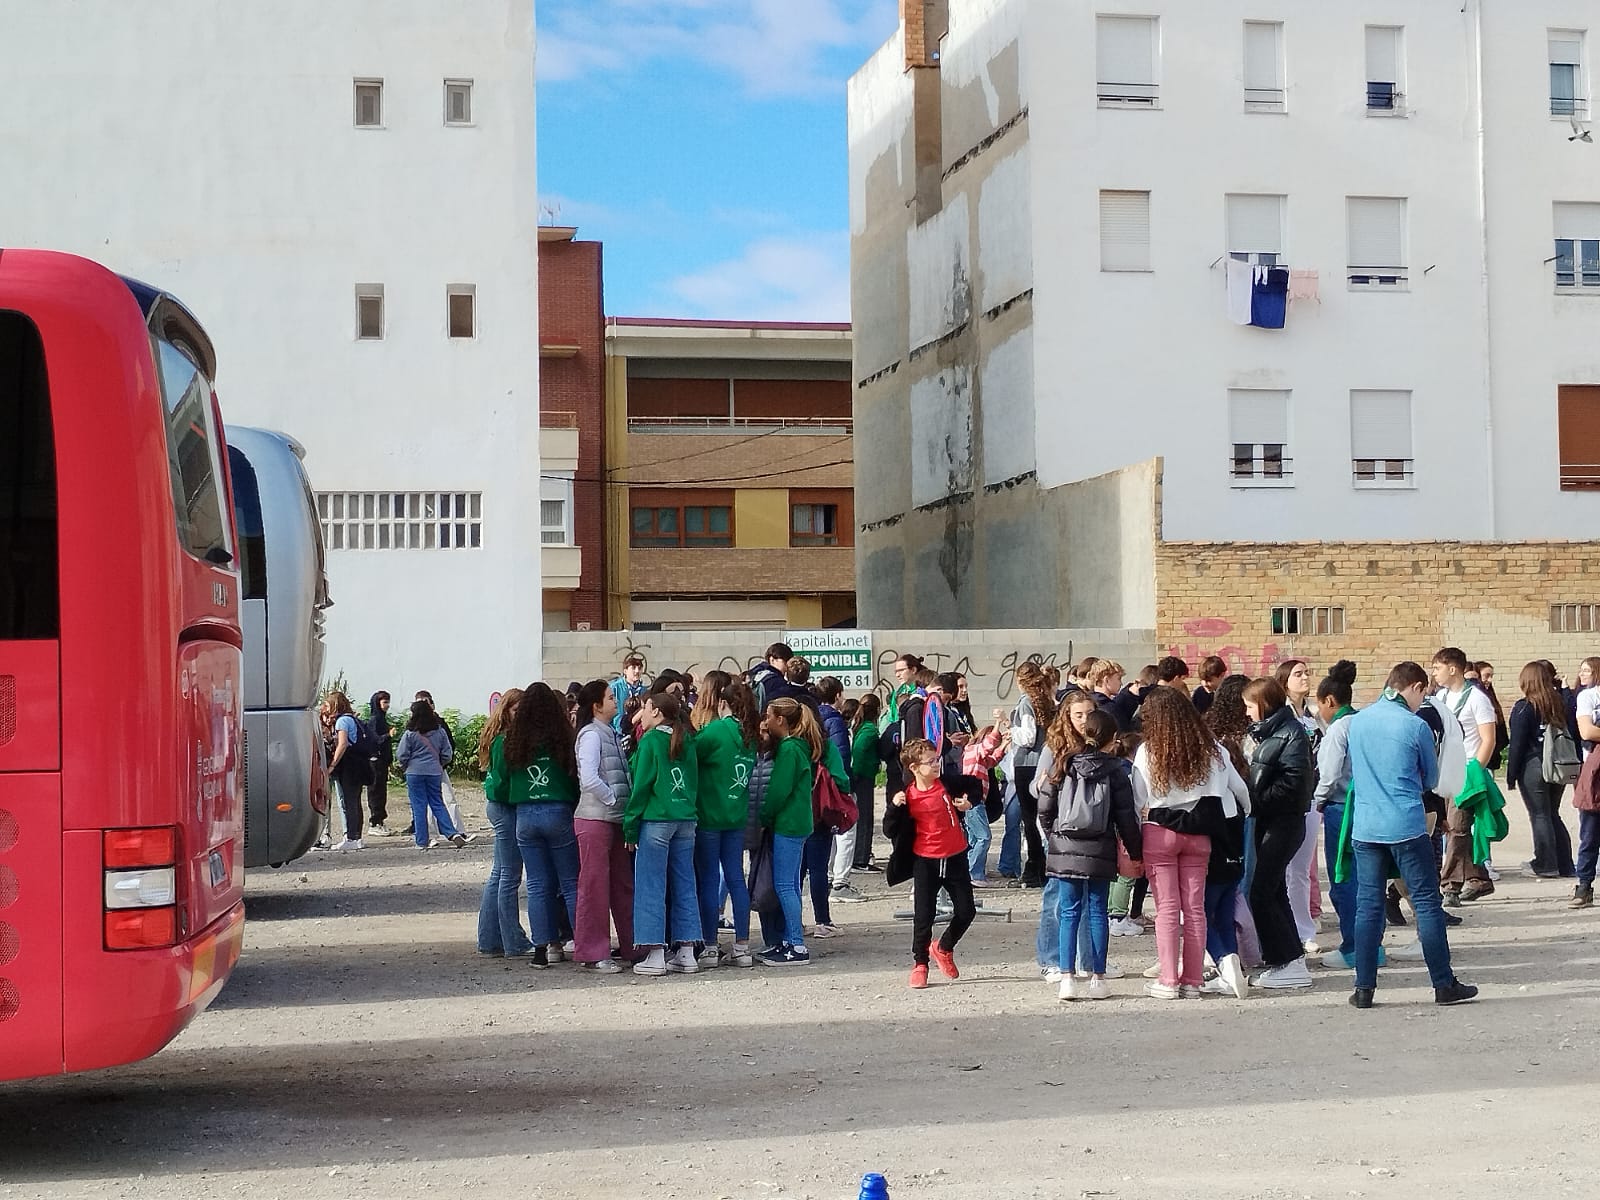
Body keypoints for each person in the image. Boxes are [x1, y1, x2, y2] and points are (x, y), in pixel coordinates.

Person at [1344, 663, 1479, 1008]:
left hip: (1366, 825)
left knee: (1368, 906)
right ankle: (1443, 984)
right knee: (1426, 903)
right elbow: (1431, 779)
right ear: (1416, 688)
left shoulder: (1357, 722)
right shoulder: (1415, 725)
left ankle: (1363, 988)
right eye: (1424, 694)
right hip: (1406, 823)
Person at [1133, 687, 1250, 999]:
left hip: (1160, 830)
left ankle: (1168, 980)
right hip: (1201, 833)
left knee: (1168, 909)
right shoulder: (1211, 749)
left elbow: (1138, 799)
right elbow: (1238, 791)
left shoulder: (1149, 750)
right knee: (1196, 909)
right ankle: (1193, 981)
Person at [1034, 709, 1142, 1001]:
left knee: (1068, 912)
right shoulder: (1117, 770)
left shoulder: (1064, 763)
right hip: (1100, 847)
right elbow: (1127, 819)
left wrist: (1053, 834)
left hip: (1065, 846)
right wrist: (1136, 852)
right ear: (1113, 737)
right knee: (1097, 912)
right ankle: (1097, 978)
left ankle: (1067, 979)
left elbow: (1045, 806)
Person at [485, 682, 580, 968]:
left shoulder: (510, 739)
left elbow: (500, 783)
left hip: (525, 815)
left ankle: (544, 948)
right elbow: (575, 777)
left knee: (537, 884)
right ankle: (583, 943)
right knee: (570, 882)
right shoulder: (564, 736)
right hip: (559, 810)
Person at [886, 738, 978, 989]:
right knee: (923, 915)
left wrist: (969, 802)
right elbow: (889, 829)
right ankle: (920, 964)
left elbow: (975, 785)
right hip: (925, 860)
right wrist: (894, 808)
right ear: (914, 767)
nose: (937, 765)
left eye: (937, 759)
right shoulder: (907, 796)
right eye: (930, 762)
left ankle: (944, 947)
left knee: (967, 910)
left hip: (955, 856)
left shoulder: (946, 784)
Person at [1243, 676, 1315, 989]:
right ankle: (1289, 959)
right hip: (1269, 821)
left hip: (1283, 822)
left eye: (1249, 706)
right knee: (1272, 891)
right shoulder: (1270, 732)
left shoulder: (1290, 733)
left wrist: (1255, 798)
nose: (1246, 712)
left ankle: (1287, 960)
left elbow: (1295, 784)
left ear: (1265, 704)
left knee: (1260, 893)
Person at [624, 692, 702, 977]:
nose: (641, 714)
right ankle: (686, 953)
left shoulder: (651, 741)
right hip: (686, 818)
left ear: (656, 712)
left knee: (651, 886)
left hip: (656, 819)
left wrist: (630, 826)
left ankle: (655, 954)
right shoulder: (687, 741)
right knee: (684, 884)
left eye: (645, 708)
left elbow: (641, 786)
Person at [693, 679, 760, 968]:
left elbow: (689, 756)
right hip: (736, 814)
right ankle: (742, 945)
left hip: (709, 814)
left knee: (709, 879)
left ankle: (709, 945)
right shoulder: (751, 734)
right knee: (735, 877)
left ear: (723, 703)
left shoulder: (716, 731)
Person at [1031, 691, 1096, 978]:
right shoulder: (1054, 746)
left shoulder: (1099, 743)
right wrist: (1048, 784)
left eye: (1088, 714)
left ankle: (1086, 959)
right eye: (1078, 714)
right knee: (1058, 894)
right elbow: (1036, 786)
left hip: (1092, 829)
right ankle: (1051, 959)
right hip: (1058, 828)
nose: (1083, 720)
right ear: (1067, 716)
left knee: (1088, 895)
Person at [573, 680, 635, 973]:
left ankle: (632, 945)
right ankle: (594, 951)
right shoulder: (591, 735)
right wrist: (613, 799)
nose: (615, 701)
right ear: (596, 705)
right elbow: (589, 778)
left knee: (623, 884)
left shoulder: (609, 732)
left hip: (614, 819)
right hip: (596, 818)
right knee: (595, 886)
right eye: (610, 697)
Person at [758, 697, 825, 965]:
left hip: (788, 823)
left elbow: (778, 790)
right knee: (792, 885)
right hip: (799, 822)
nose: (765, 721)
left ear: (781, 720)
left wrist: (765, 815)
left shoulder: (788, 750)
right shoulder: (800, 746)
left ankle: (796, 945)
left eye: (769, 716)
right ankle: (789, 939)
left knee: (785, 885)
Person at [1432, 647, 1498, 903]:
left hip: (1466, 770)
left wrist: (1475, 770)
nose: (1434, 673)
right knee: (1450, 827)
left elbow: (1488, 739)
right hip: (1444, 770)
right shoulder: (1440, 697)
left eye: (1438, 668)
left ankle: (1449, 885)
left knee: (1458, 827)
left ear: (1452, 669)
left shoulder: (1477, 699)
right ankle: (1479, 878)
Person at [1312, 665, 1367, 970]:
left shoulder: (1337, 729)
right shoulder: (1363, 721)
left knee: (1343, 879)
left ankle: (1353, 947)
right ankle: (1372, 944)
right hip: (1365, 806)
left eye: (1319, 704)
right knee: (1366, 880)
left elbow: (1330, 774)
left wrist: (1316, 802)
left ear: (1329, 700)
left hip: (1340, 807)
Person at [1505, 661, 1578, 879]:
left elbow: (1517, 744)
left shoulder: (1524, 707)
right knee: (1552, 813)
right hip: (1557, 764)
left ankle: (1545, 863)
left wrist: (1511, 775)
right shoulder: (1558, 704)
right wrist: (1564, 689)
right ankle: (1565, 864)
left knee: (1539, 815)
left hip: (1533, 765)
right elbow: (1573, 727)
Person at [476, 688, 532, 958]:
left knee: (500, 874)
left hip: (499, 806)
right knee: (509, 875)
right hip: (505, 806)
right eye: (515, 709)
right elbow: (501, 782)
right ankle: (513, 940)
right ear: (506, 710)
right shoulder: (506, 739)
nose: (519, 714)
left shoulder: (497, 737)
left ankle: (490, 939)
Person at [1009, 661, 1057, 887]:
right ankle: (1045, 863)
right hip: (1044, 762)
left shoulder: (1025, 703)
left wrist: (1010, 730)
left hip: (1027, 763)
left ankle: (1034, 867)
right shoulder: (1047, 701)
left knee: (1029, 818)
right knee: (1044, 814)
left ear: (1020, 681)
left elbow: (1027, 737)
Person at [395, 699, 465, 850]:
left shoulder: (410, 733)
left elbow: (401, 754)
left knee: (419, 806)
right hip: (434, 771)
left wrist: (405, 765)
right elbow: (447, 753)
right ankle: (452, 833)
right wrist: (439, 763)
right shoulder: (440, 731)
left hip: (414, 772)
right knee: (437, 803)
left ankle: (421, 841)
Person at [322, 690, 372, 852]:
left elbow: (342, 744)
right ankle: (357, 837)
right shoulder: (354, 719)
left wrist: (333, 764)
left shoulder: (342, 722)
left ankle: (350, 837)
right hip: (359, 763)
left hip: (348, 765)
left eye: (328, 704)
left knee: (348, 801)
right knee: (355, 801)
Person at [849, 694, 884, 872]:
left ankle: (860, 856)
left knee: (862, 816)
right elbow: (860, 750)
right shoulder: (870, 729)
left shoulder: (860, 726)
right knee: (865, 817)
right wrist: (858, 771)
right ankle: (861, 858)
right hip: (863, 776)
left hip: (862, 775)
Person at [364, 691, 394, 837]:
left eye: (388, 702)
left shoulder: (382, 719)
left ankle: (380, 821)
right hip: (375, 761)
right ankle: (374, 822)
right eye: (384, 702)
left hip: (382, 761)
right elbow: (375, 740)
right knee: (375, 792)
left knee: (381, 792)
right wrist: (389, 735)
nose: (387, 705)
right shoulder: (375, 720)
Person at [608, 654, 649, 734]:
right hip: (616, 732)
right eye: (633, 668)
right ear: (625, 671)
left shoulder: (644, 691)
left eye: (639, 668)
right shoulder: (614, 688)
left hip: (636, 733)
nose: (637, 671)